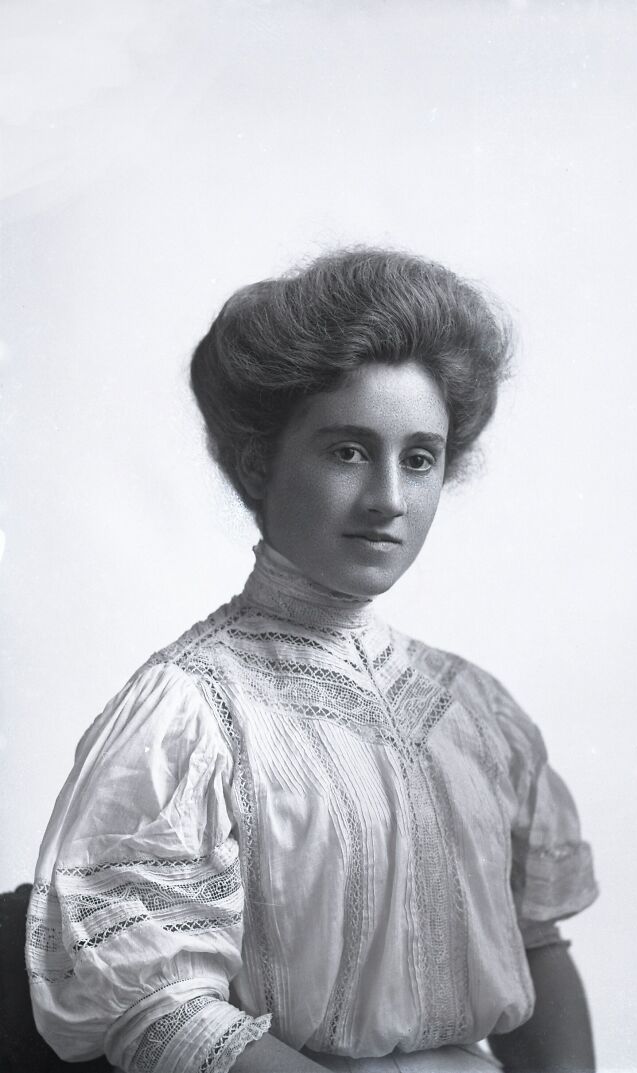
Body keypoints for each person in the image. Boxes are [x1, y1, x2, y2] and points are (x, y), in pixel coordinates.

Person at [26, 249, 598, 1073]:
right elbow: (159, 1016)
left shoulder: (474, 709)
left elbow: (536, 943)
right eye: (348, 451)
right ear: (261, 462)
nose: (389, 498)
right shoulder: (190, 712)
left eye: (420, 458)